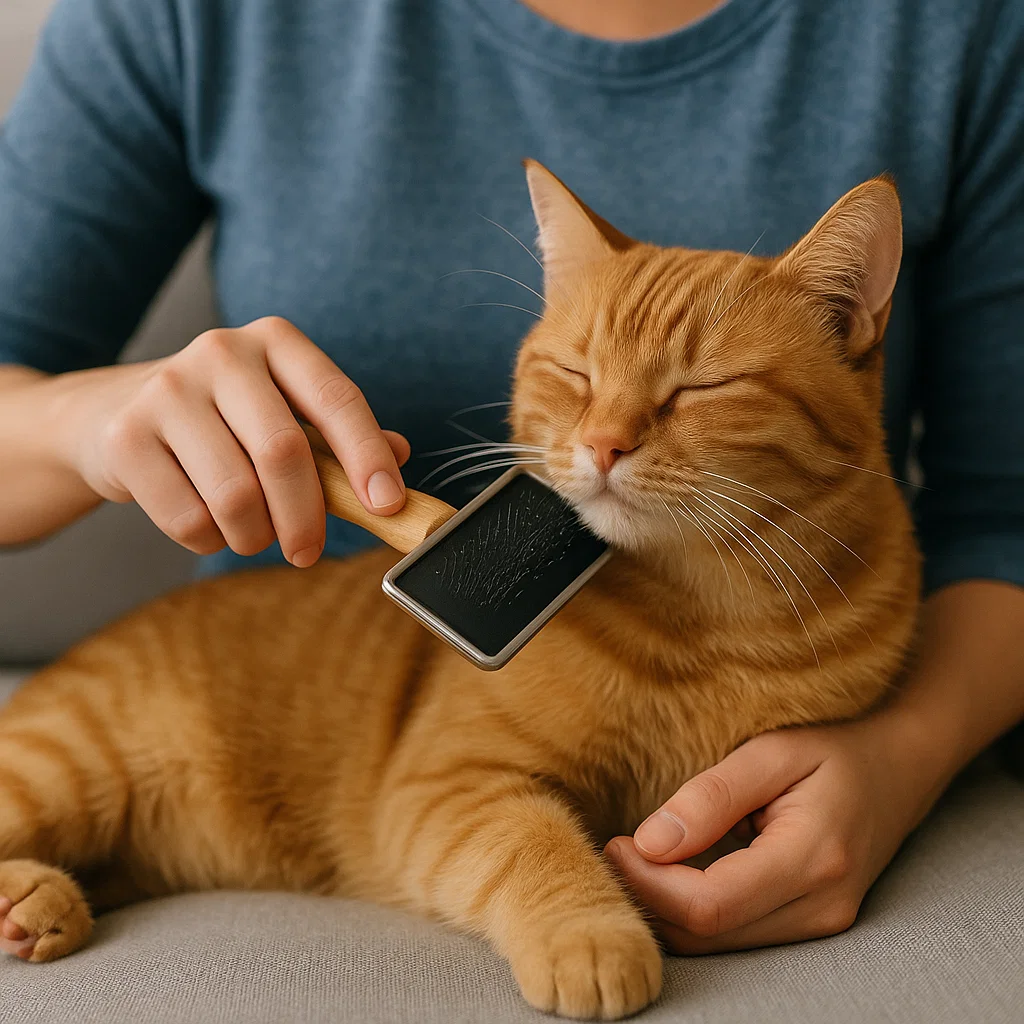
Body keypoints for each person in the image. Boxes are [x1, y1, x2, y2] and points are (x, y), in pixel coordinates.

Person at [1, 0, 1022, 954]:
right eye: (575, 378)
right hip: (253, 698)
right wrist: (75, 419)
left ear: (848, 324)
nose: (609, 437)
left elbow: (1004, 513)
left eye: (699, 390)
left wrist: (903, 753)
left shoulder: (965, 28)